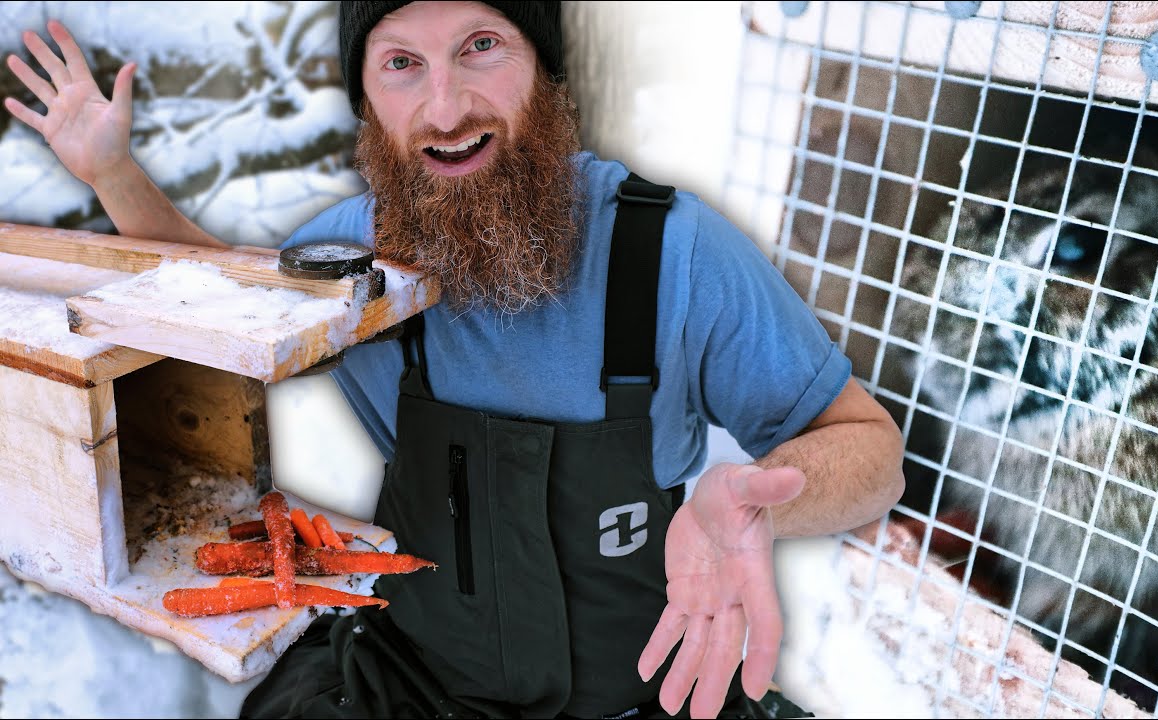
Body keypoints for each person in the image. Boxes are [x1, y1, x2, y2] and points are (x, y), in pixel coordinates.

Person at [5, 3, 905, 718]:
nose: (445, 107)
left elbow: (867, 449)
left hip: (646, 693)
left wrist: (748, 509)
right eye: (401, 63)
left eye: (481, 46)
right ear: (368, 102)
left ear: (545, 76)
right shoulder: (357, 259)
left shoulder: (672, 254)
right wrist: (112, 171)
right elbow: (210, 297)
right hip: (409, 684)